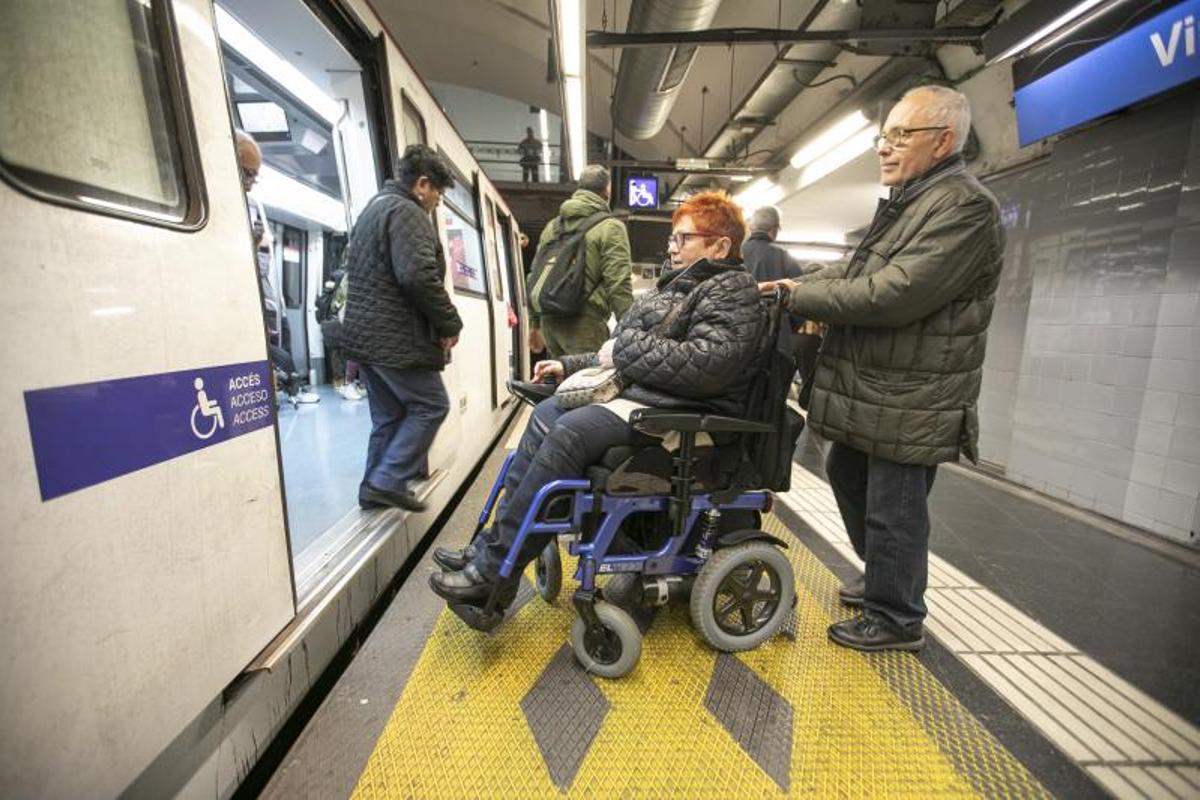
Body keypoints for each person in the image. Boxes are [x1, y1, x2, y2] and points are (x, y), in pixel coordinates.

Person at [429, 191, 765, 614]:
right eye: (673, 238)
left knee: (568, 432)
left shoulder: (732, 291)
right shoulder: (679, 286)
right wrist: (568, 365)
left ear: (720, 246)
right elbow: (620, 351)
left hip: (684, 414)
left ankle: (494, 571)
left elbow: (705, 364)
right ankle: (490, 550)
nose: (671, 246)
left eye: (684, 238)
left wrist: (622, 350)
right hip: (651, 398)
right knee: (548, 412)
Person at [763, 86, 1004, 652]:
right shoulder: (910, 202)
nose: (885, 148)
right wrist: (798, 283)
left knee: (894, 507)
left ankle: (897, 616)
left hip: (914, 391)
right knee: (848, 477)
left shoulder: (964, 207)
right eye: (884, 135)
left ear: (943, 141)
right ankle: (884, 577)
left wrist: (801, 298)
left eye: (901, 136)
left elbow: (893, 293)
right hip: (873, 383)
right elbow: (856, 265)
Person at [342, 144, 463, 512]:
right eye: (438, 193)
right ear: (422, 184)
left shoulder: (374, 208)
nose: (437, 202)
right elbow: (417, 277)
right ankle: (386, 479)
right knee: (431, 405)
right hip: (394, 337)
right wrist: (449, 322)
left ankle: (372, 490)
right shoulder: (407, 211)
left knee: (390, 415)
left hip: (366, 338)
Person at [236, 130, 319, 404]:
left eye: (254, 177)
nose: (250, 184)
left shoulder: (249, 208)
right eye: (246, 174)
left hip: (266, 305)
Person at [527, 165, 634, 359]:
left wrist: (534, 323)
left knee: (558, 383)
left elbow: (535, 274)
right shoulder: (611, 227)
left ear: (580, 188)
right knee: (586, 385)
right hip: (584, 323)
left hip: (549, 322)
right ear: (607, 191)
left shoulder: (553, 227)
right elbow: (618, 283)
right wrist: (632, 330)